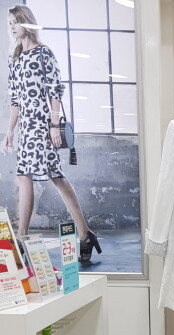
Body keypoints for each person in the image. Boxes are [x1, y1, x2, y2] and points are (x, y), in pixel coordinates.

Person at [2, 5, 101, 261]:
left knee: (53, 175)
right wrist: (10, 131)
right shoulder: (15, 59)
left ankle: (79, 233)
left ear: (27, 22)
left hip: (43, 124)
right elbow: (15, 100)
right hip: (26, 128)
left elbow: (55, 91)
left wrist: (54, 125)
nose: (12, 27)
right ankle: (78, 234)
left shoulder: (43, 53)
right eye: (10, 22)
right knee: (29, 176)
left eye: (16, 21)